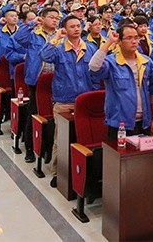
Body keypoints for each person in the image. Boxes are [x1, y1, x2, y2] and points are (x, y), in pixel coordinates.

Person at [40, 16, 99, 186]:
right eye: (72, 26)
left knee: (85, 138)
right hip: (65, 100)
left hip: (85, 100)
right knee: (61, 138)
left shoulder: (90, 48)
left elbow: (96, 72)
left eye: (78, 26)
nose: (76, 29)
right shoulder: (59, 49)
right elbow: (44, 55)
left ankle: (86, 175)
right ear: (65, 29)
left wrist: (94, 91)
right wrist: (55, 38)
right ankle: (58, 172)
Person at [14, 6, 60, 163]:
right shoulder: (34, 34)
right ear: (43, 18)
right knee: (33, 114)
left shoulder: (61, 36)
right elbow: (18, 37)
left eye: (57, 18)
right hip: (37, 80)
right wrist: (32, 23)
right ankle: (30, 149)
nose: (55, 20)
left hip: (56, 81)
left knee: (53, 117)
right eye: (51, 17)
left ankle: (47, 148)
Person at [90, 25, 153, 138]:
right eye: (129, 38)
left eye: (136, 38)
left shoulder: (146, 61)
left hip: (144, 122)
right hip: (120, 124)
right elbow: (94, 67)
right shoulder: (111, 62)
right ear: (119, 41)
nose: (134, 41)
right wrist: (109, 42)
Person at [0, 9, 25, 84]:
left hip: (15, 60)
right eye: (12, 16)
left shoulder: (21, 31)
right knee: (3, 82)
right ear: (5, 18)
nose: (15, 18)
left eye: (16, 16)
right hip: (1, 61)